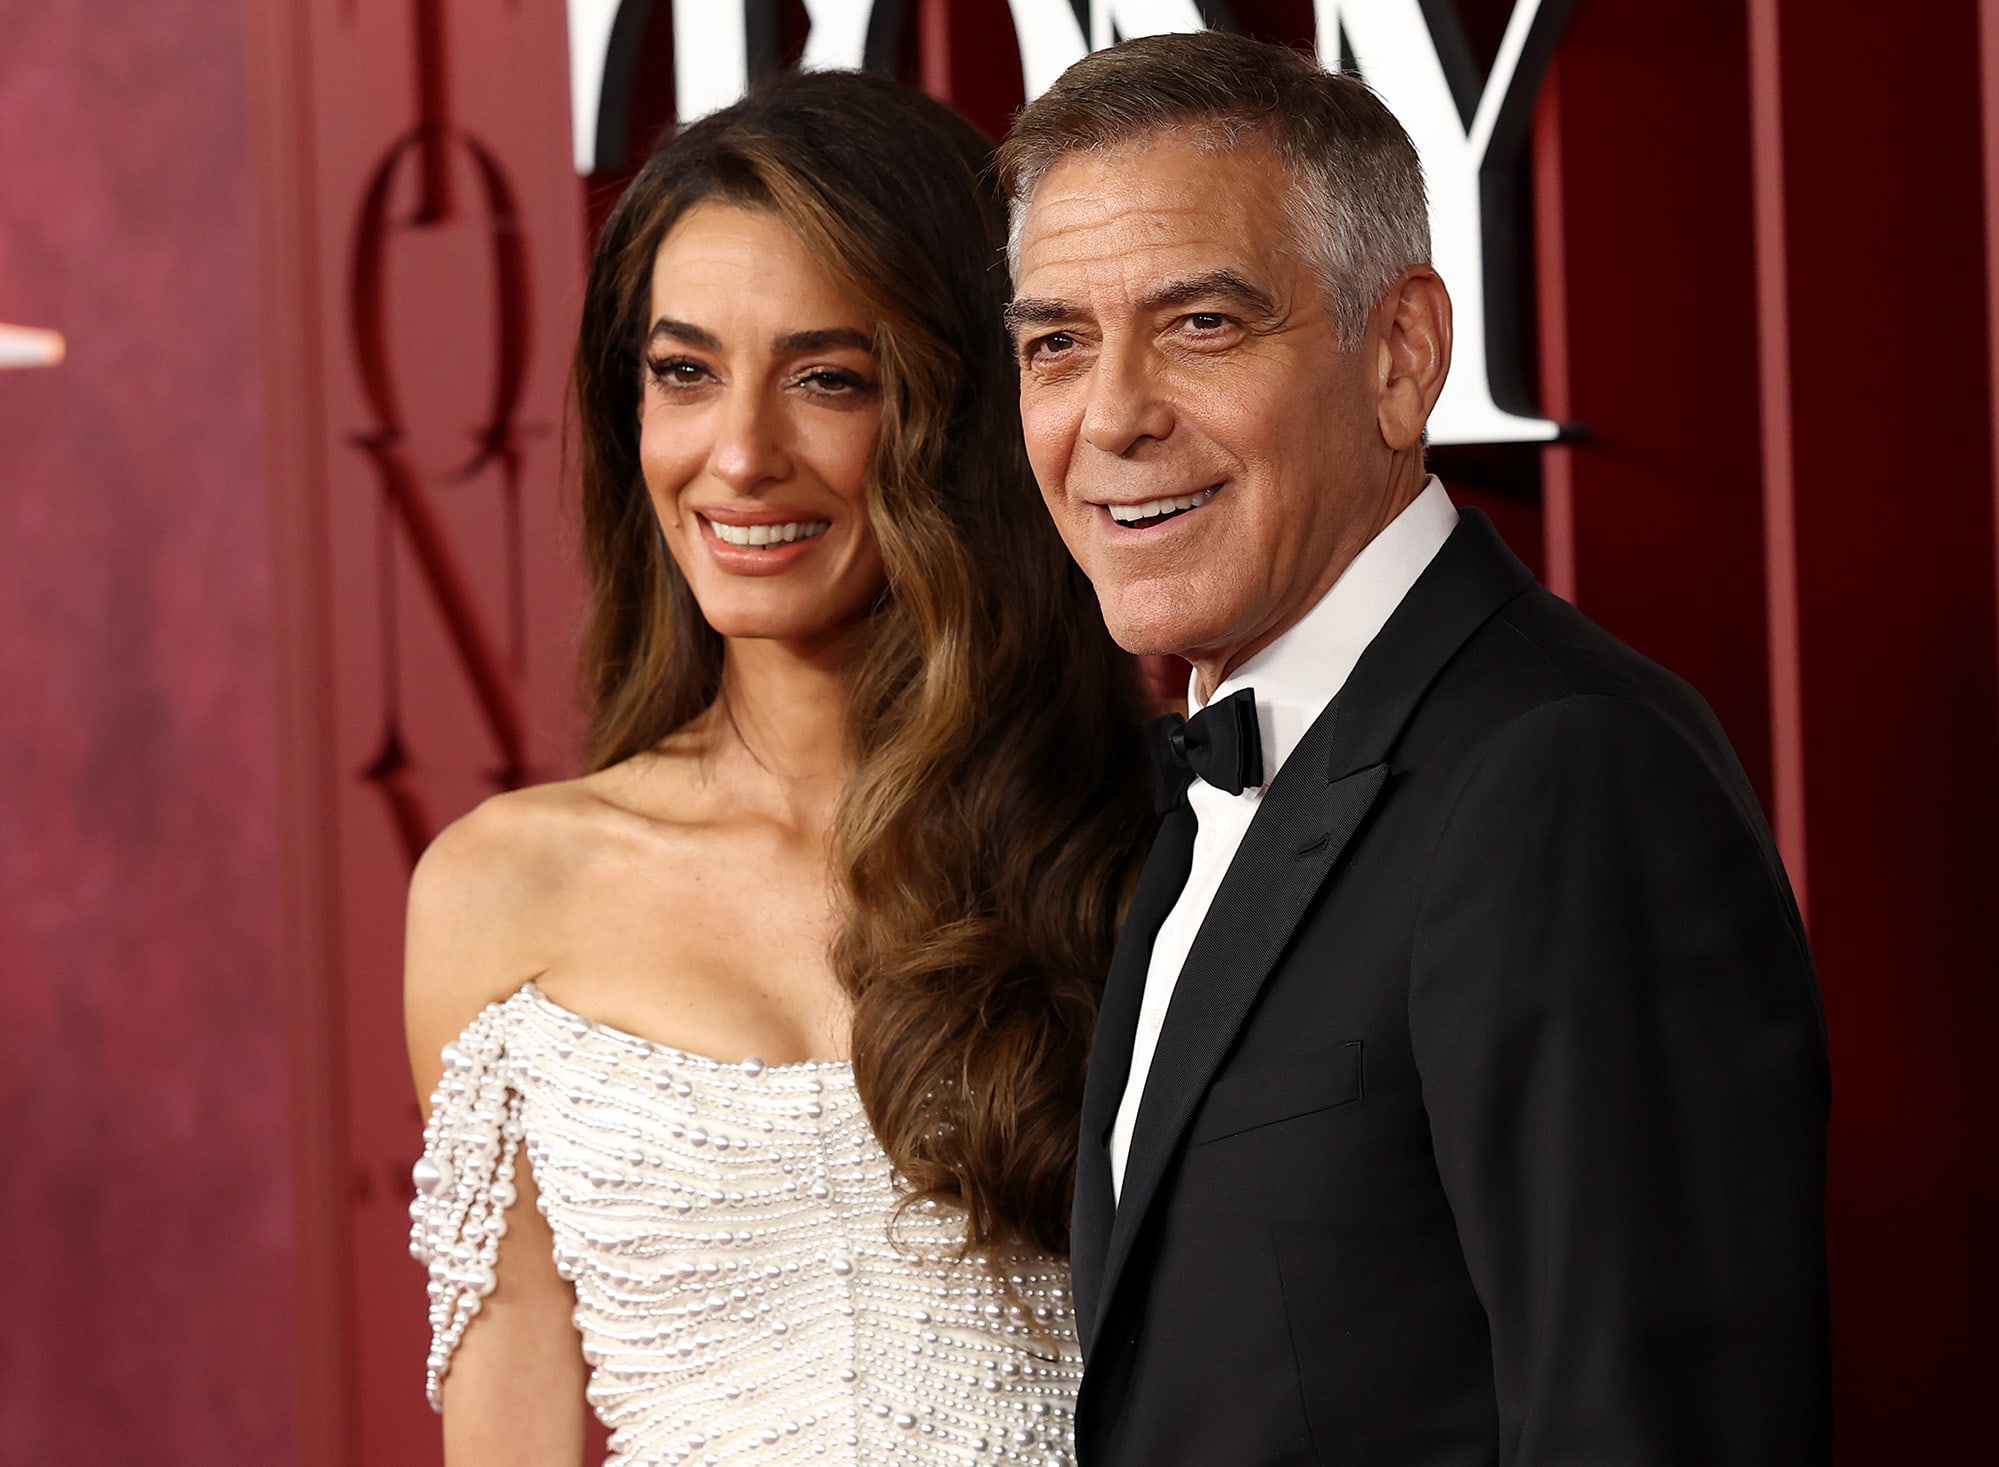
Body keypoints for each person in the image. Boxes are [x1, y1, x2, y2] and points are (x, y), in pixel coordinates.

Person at [999, 31, 1832, 1466]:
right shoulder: (1230, 759)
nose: (1111, 417)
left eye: (1201, 325)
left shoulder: (1564, 778)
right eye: (1056, 343)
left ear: (1401, 357)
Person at [403, 70, 1151, 1467]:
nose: (739, 456)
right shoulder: (501, 890)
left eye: (828, 379)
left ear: (960, 411)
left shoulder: (1149, 843)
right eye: (683, 372)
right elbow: (506, 1417)